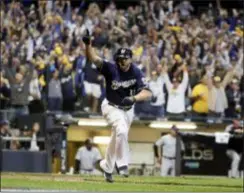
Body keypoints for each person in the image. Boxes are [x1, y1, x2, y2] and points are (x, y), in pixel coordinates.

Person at [82, 30, 152, 182]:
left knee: (116, 137)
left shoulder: (136, 72)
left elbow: (148, 92)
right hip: (111, 106)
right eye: (119, 59)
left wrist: (134, 98)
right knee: (121, 130)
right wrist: (88, 45)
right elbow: (93, 58)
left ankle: (107, 166)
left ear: (130, 59)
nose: (122, 62)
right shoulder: (111, 68)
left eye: (125, 59)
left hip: (128, 109)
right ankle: (122, 164)